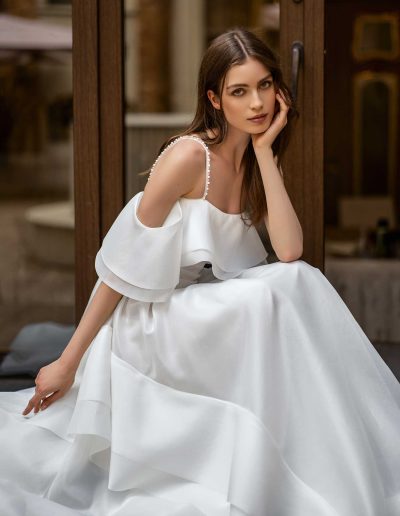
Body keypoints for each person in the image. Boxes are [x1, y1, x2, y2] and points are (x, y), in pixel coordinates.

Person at [0, 28, 399, 516]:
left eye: (266, 85)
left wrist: (266, 153)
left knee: (296, 281)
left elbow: (291, 252)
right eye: (239, 91)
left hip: (210, 318)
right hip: (155, 321)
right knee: (266, 296)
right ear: (213, 98)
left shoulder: (253, 160)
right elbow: (122, 268)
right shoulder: (189, 156)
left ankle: (326, 449)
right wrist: (69, 361)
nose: (257, 103)